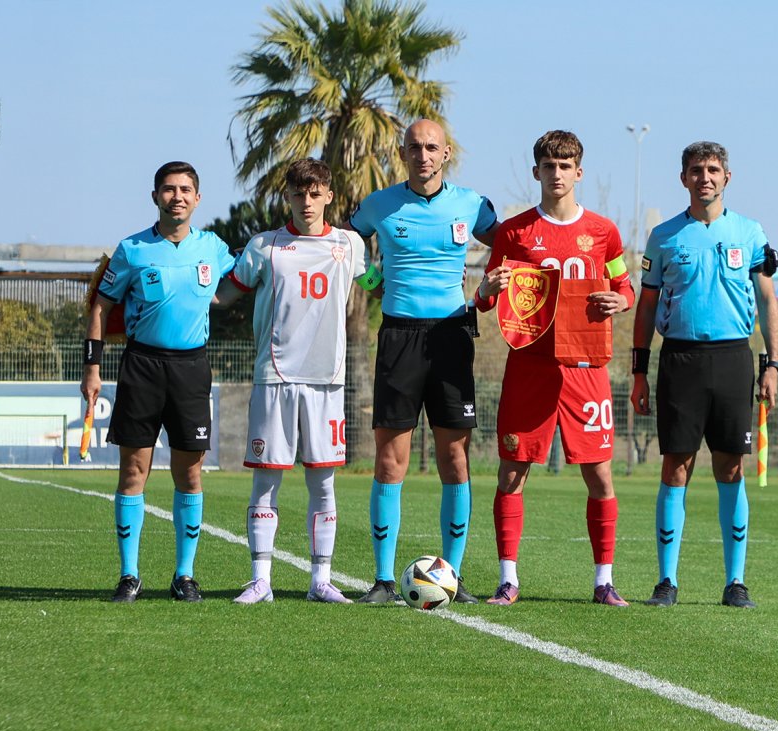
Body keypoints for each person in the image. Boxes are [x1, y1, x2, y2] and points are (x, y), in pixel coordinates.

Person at [474, 130, 635, 606]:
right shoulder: (515, 232)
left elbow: (626, 287)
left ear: (579, 172)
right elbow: (485, 299)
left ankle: (604, 581)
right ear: (536, 172)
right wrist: (490, 286)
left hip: (587, 368)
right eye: (549, 165)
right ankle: (508, 579)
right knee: (512, 471)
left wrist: (619, 301)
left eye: (566, 166)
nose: (557, 174)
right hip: (530, 367)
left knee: (600, 475)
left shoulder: (604, 232)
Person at [347, 119, 499, 604]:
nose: (423, 155)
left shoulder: (472, 205)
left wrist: (485, 293)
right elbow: (344, 248)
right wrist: (372, 284)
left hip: (453, 337)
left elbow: (511, 248)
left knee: (455, 458)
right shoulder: (379, 205)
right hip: (398, 338)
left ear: (447, 152)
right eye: (414, 147)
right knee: (392, 460)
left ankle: (452, 574)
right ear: (403, 152)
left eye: (431, 147)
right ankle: (383, 580)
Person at [630, 141, 778, 609]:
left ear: (727, 177)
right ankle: (666, 582)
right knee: (675, 466)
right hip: (680, 360)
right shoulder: (664, 236)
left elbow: (768, 301)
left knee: (731, 466)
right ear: (684, 178)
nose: (705, 177)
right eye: (696, 170)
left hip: (734, 360)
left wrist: (772, 364)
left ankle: (735, 583)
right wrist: (639, 370)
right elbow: (647, 304)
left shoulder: (750, 233)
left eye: (714, 169)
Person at [81, 161, 235, 603]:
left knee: (189, 472)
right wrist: (92, 368)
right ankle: (129, 575)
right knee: (134, 470)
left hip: (191, 369)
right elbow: (99, 306)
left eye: (186, 189)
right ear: (155, 197)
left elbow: (242, 280)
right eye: (169, 189)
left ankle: (184, 576)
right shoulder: (131, 250)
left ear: (198, 198)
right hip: (142, 367)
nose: (178, 196)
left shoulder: (213, 247)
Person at [215, 159, 368, 604]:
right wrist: (186, 283)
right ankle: (260, 579)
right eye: (298, 194)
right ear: (288, 197)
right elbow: (224, 294)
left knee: (323, 482)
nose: (307, 202)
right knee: (266, 479)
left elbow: (377, 282)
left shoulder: (349, 244)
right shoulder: (264, 246)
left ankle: (321, 580)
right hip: (274, 376)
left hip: (327, 382)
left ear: (329, 197)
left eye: (315, 193)